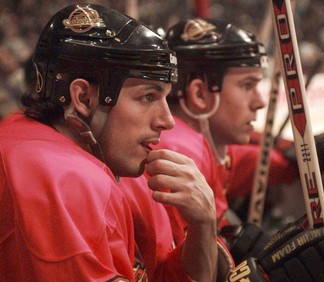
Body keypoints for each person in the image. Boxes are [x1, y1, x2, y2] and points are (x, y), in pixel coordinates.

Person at [124, 17, 324, 281]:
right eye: (247, 85)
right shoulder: (182, 149)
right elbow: (189, 271)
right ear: (199, 95)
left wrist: (288, 161)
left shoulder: (193, 144)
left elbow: (238, 164)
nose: (258, 101)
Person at [0, 4, 229, 281]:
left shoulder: (112, 164)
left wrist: (203, 226)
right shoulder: (63, 178)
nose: (167, 121)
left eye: (165, 98)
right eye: (148, 96)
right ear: (84, 98)